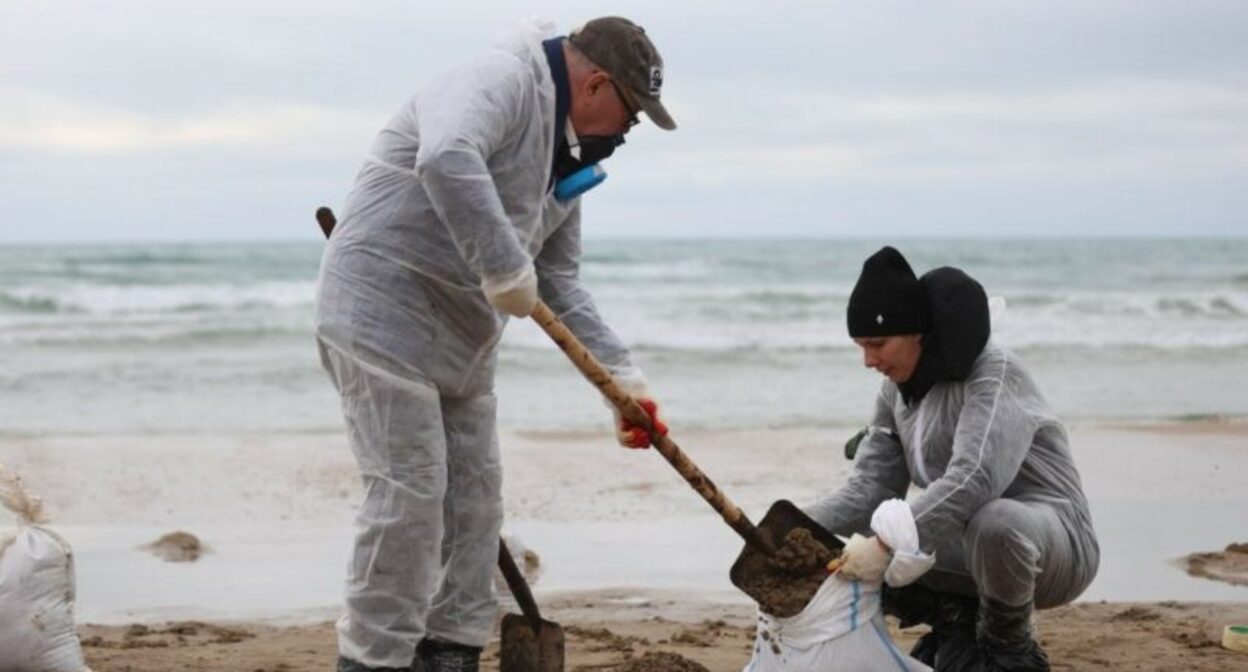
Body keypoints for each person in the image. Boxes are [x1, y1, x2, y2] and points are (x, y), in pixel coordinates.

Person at [314, 17, 675, 672]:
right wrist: (504, 265)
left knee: (477, 505)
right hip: (381, 311)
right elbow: (445, 156)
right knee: (410, 496)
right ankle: (372, 659)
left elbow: (559, 281)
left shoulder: (568, 160)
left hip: (464, 342)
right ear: (596, 84)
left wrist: (623, 384)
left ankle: (449, 651)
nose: (627, 132)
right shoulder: (501, 79)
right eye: (630, 113)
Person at [805, 246, 1099, 672]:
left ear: (916, 333)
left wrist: (885, 544)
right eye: (860, 347)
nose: (868, 361)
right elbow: (870, 490)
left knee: (992, 521)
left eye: (877, 344)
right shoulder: (895, 391)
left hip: (1053, 547)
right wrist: (792, 526)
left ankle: (1007, 650)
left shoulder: (994, 372)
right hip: (967, 548)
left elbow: (976, 477)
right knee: (840, 545)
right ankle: (958, 623)